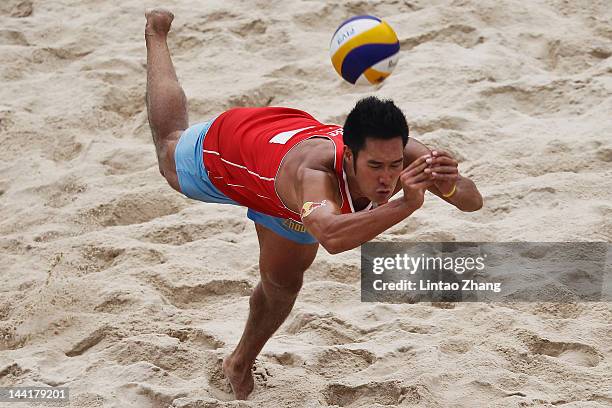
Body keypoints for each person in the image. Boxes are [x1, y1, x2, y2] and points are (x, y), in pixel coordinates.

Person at [144, 9, 482, 400]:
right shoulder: (315, 174)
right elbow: (333, 238)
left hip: (290, 186)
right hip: (234, 149)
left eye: (394, 165)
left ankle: (238, 362)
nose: (388, 178)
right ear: (350, 156)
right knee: (170, 148)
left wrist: (449, 180)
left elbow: (473, 203)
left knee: (283, 285)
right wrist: (407, 205)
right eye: (375, 167)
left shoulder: (399, 153)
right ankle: (156, 33)